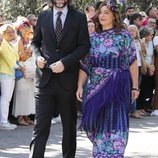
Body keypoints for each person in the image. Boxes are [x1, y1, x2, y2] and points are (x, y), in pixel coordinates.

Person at [76, 2, 139, 157]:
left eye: (106, 13)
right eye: (100, 12)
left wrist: (135, 86)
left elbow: (132, 61)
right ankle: (100, 153)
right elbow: (85, 65)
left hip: (119, 86)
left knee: (116, 120)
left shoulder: (123, 36)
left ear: (114, 16)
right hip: (96, 87)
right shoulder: (91, 38)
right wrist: (79, 85)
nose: (102, 15)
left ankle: (115, 153)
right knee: (95, 123)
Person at [29, 0, 90, 158]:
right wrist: (37, 58)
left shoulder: (79, 17)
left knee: (69, 129)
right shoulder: (43, 15)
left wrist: (65, 62)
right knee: (40, 127)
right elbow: (35, 43)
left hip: (68, 82)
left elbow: (84, 46)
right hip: (44, 81)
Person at [0, 24, 19, 130]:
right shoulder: (2, 43)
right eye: (9, 32)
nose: (12, 33)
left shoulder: (8, 43)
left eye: (13, 31)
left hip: (10, 73)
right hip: (5, 73)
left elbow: (15, 56)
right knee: (5, 98)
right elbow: (9, 59)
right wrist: (19, 67)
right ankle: (3, 121)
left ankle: (4, 120)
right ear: (3, 34)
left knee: (7, 98)